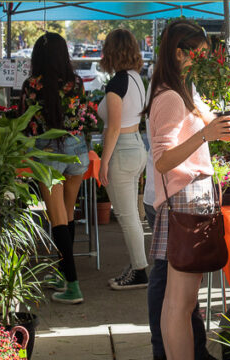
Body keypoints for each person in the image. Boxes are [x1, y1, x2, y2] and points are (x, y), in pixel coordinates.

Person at [144, 20, 230, 360]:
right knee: (179, 303)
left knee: (180, 301)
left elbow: (218, 127)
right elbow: (162, 160)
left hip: (191, 199)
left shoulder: (182, 90)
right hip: (184, 201)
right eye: (200, 54)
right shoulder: (170, 96)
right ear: (180, 53)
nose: (205, 62)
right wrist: (204, 136)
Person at [20, 32, 91, 304]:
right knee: (68, 215)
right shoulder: (76, 83)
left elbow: (25, 122)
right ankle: (62, 274)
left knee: (58, 219)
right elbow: (83, 115)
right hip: (77, 151)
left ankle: (73, 286)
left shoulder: (32, 85)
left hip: (47, 153)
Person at [97, 29, 149, 290]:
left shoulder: (117, 83)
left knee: (127, 216)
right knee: (132, 216)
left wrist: (103, 162)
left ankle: (139, 270)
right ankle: (137, 265)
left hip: (122, 150)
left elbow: (114, 128)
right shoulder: (136, 78)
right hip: (136, 146)